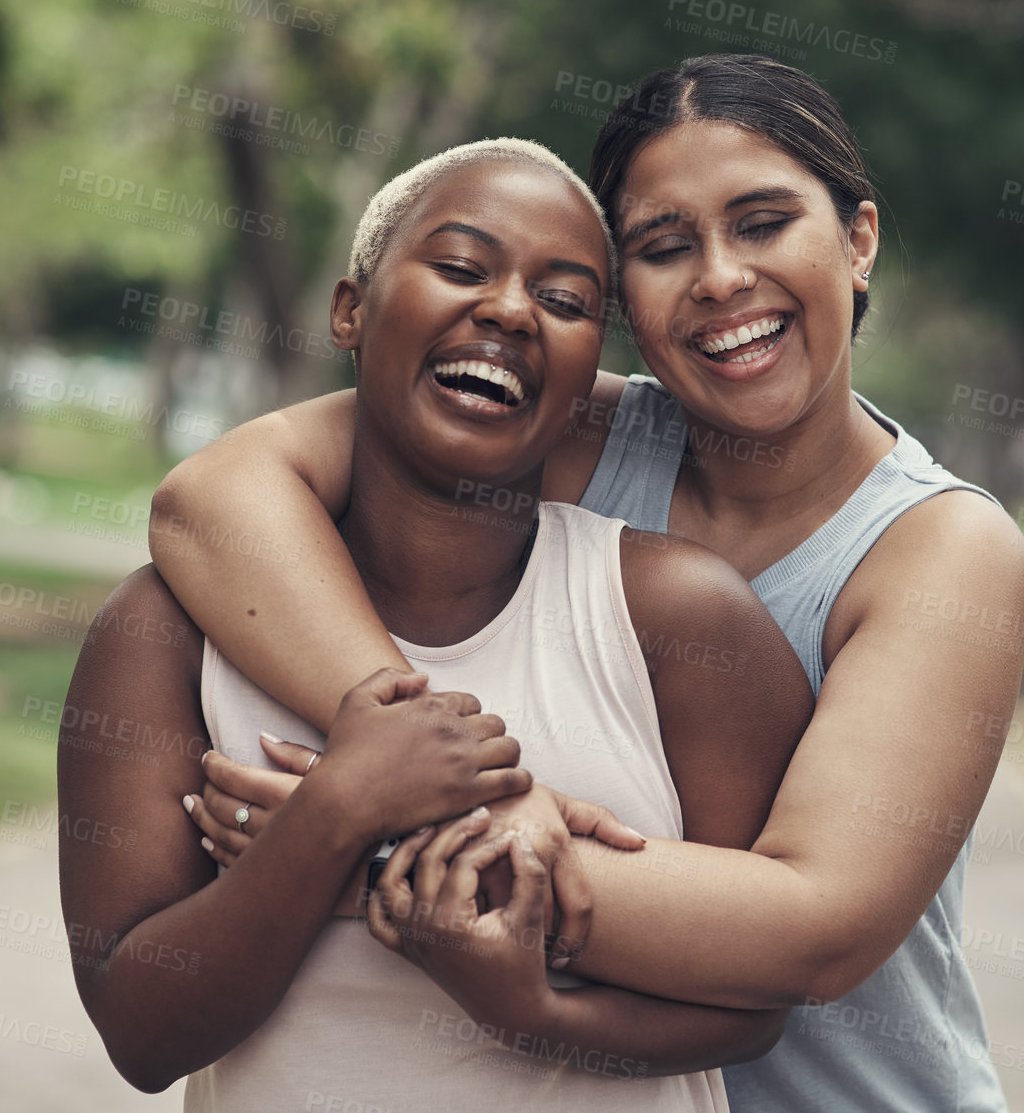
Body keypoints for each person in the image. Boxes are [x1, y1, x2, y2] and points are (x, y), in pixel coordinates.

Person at [153, 54, 1024, 1111]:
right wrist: (418, 751)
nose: (717, 278)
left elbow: (815, 928)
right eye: (664, 247)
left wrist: (380, 840)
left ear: (857, 240)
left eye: (760, 224)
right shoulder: (573, 436)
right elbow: (210, 498)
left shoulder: (941, 547)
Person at [58, 136, 816, 1111]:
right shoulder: (164, 629)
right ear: (351, 309)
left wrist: (526, 1005)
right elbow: (141, 1031)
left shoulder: (680, 620)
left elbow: (755, 997)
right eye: (460, 266)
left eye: (566, 299)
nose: (507, 308)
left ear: (593, 375)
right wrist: (339, 811)